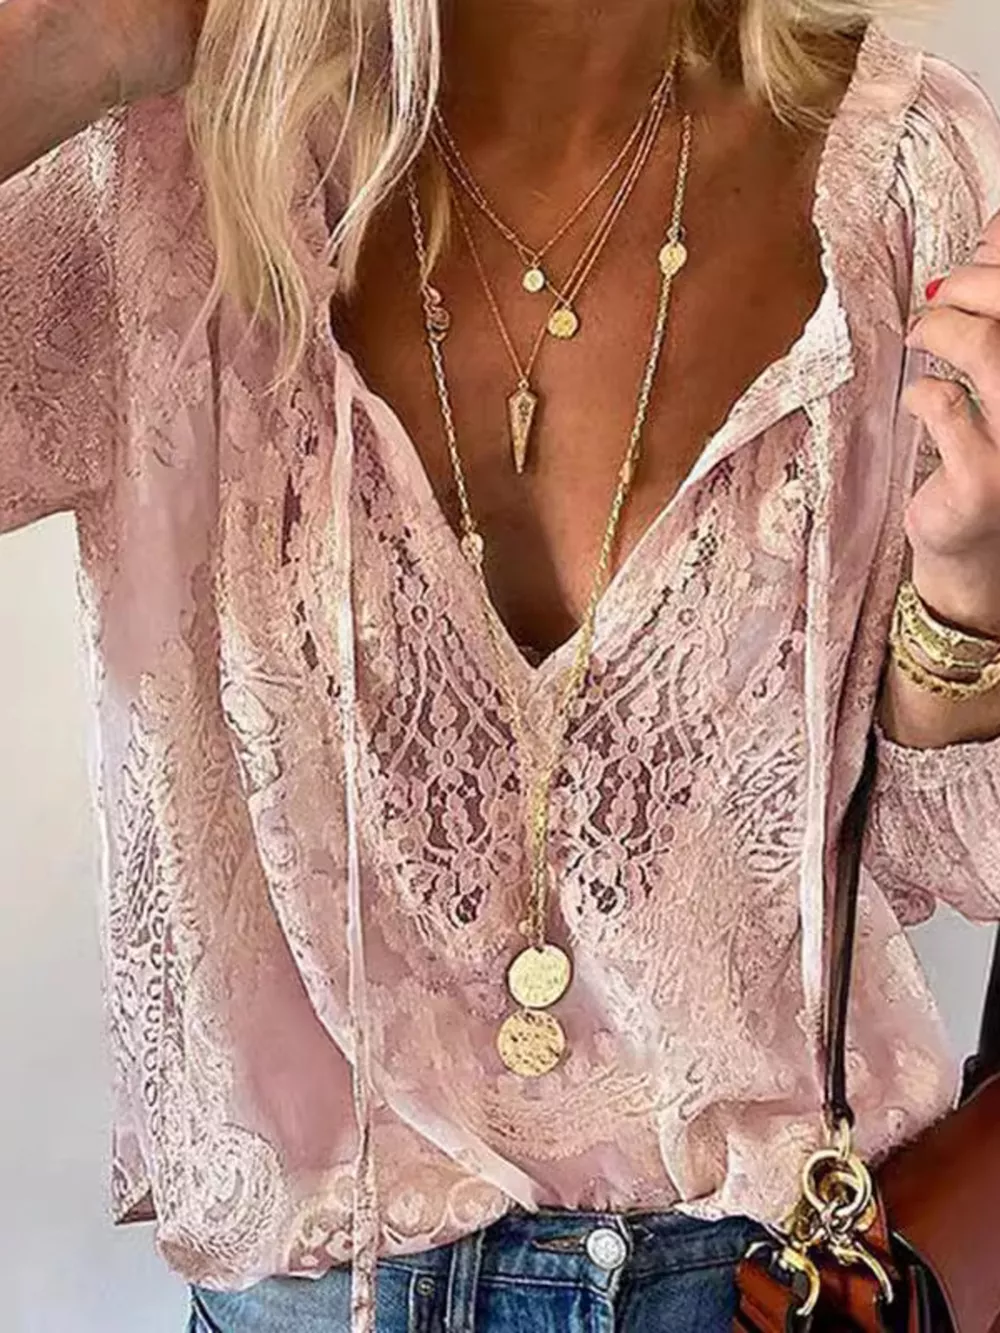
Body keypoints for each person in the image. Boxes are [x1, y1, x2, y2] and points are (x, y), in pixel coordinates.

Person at [3, 0, 1000, 1329]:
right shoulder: (171, 179)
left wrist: (972, 584)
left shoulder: (906, 178)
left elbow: (941, 852)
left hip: (764, 1284)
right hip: (324, 1290)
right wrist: (68, 42)